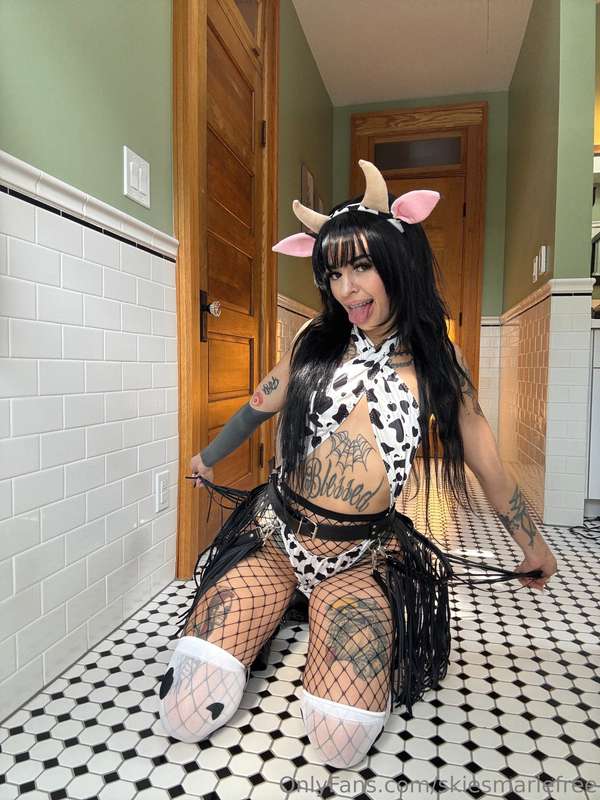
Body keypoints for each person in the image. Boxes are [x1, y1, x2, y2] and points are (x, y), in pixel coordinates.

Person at [157, 159, 557, 768]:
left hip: (360, 555)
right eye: (334, 273)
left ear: (398, 262)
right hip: (277, 538)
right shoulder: (314, 343)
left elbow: (489, 467)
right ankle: (283, 603)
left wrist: (534, 547)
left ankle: (320, 611)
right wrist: (206, 458)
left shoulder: (439, 364)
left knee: (340, 743)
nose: (347, 289)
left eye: (361, 267)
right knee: (184, 713)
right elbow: (257, 406)